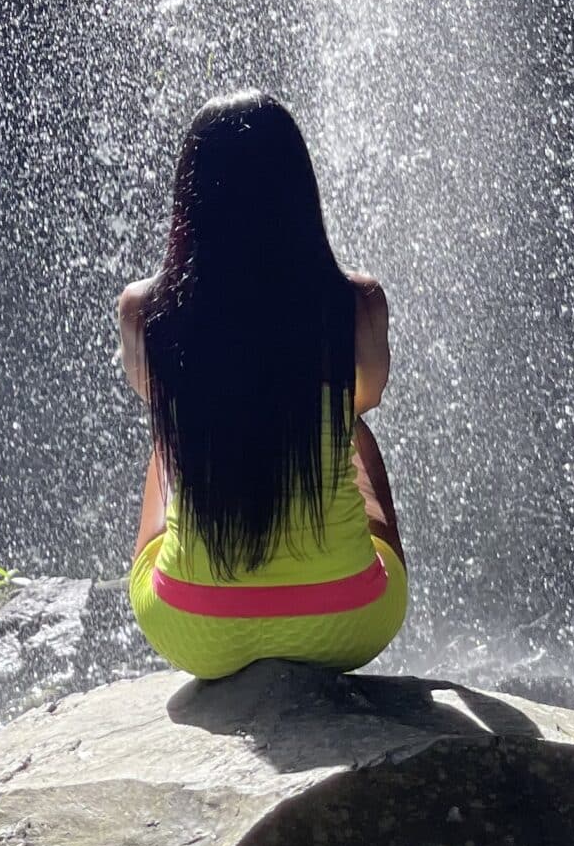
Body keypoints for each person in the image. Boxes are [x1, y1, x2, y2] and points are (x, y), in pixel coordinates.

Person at [117, 91, 406, 680]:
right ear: (299, 193)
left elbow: (155, 395)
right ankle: (343, 570)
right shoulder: (356, 302)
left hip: (196, 634)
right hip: (349, 624)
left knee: (169, 436)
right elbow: (365, 396)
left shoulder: (145, 308)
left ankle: (204, 580)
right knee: (349, 425)